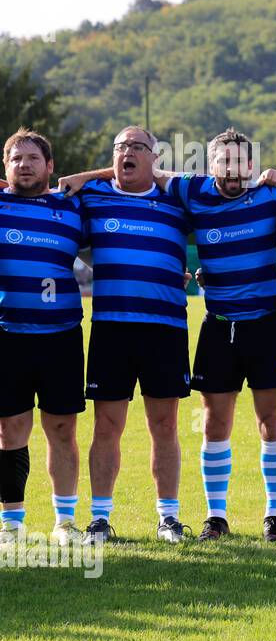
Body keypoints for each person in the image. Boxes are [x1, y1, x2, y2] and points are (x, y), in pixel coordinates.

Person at [171, 129, 276, 541]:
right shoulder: (194, 193)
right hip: (218, 325)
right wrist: (80, 179)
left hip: (267, 323)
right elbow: (142, 173)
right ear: (211, 166)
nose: (232, 169)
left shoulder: (271, 195)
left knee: (272, 420)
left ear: (253, 166)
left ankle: (274, 516)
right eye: (224, 161)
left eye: (241, 161)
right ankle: (216, 516)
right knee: (214, 423)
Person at [77, 126, 194, 543]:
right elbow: (40, 187)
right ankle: (100, 519)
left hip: (165, 329)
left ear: (154, 157)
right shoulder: (94, 198)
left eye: (136, 147)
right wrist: (87, 176)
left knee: (164, 423)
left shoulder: (176, 200)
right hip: (112, 329)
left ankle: (168, 517)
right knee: (107, 424)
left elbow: (222, 190)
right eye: (120, 148)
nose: (127, 153)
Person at [0, 130, 85, 546]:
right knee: (10, 428)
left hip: (62, 337)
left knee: (62, 429)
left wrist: (85, 176)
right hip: (8, 335)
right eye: (15, 159)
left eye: (33, 158)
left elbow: (136, 176)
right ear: (5, 167)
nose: (24, 165)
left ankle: (64, 523)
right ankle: (11, 524)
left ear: (51, 167)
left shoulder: (71, 206)